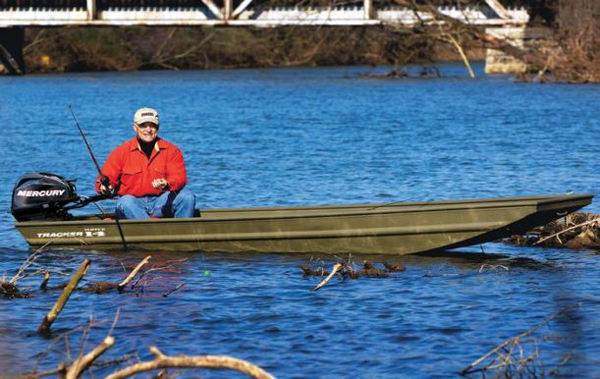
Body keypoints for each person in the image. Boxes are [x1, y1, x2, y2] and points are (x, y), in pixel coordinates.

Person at [96, 107, 196, 219]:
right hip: (132, 204)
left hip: (161, 203)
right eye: (143, 125)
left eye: (152, 125)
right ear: (135, 127)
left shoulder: (172, 150)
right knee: (125, 202)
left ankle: (182, 234)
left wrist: (167, 184)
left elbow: (180, 178)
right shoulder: (120, 152)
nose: (148, 129)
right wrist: (104, 187)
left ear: (158, 127)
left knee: (187, 197)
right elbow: (104, 180)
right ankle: (153, 229)